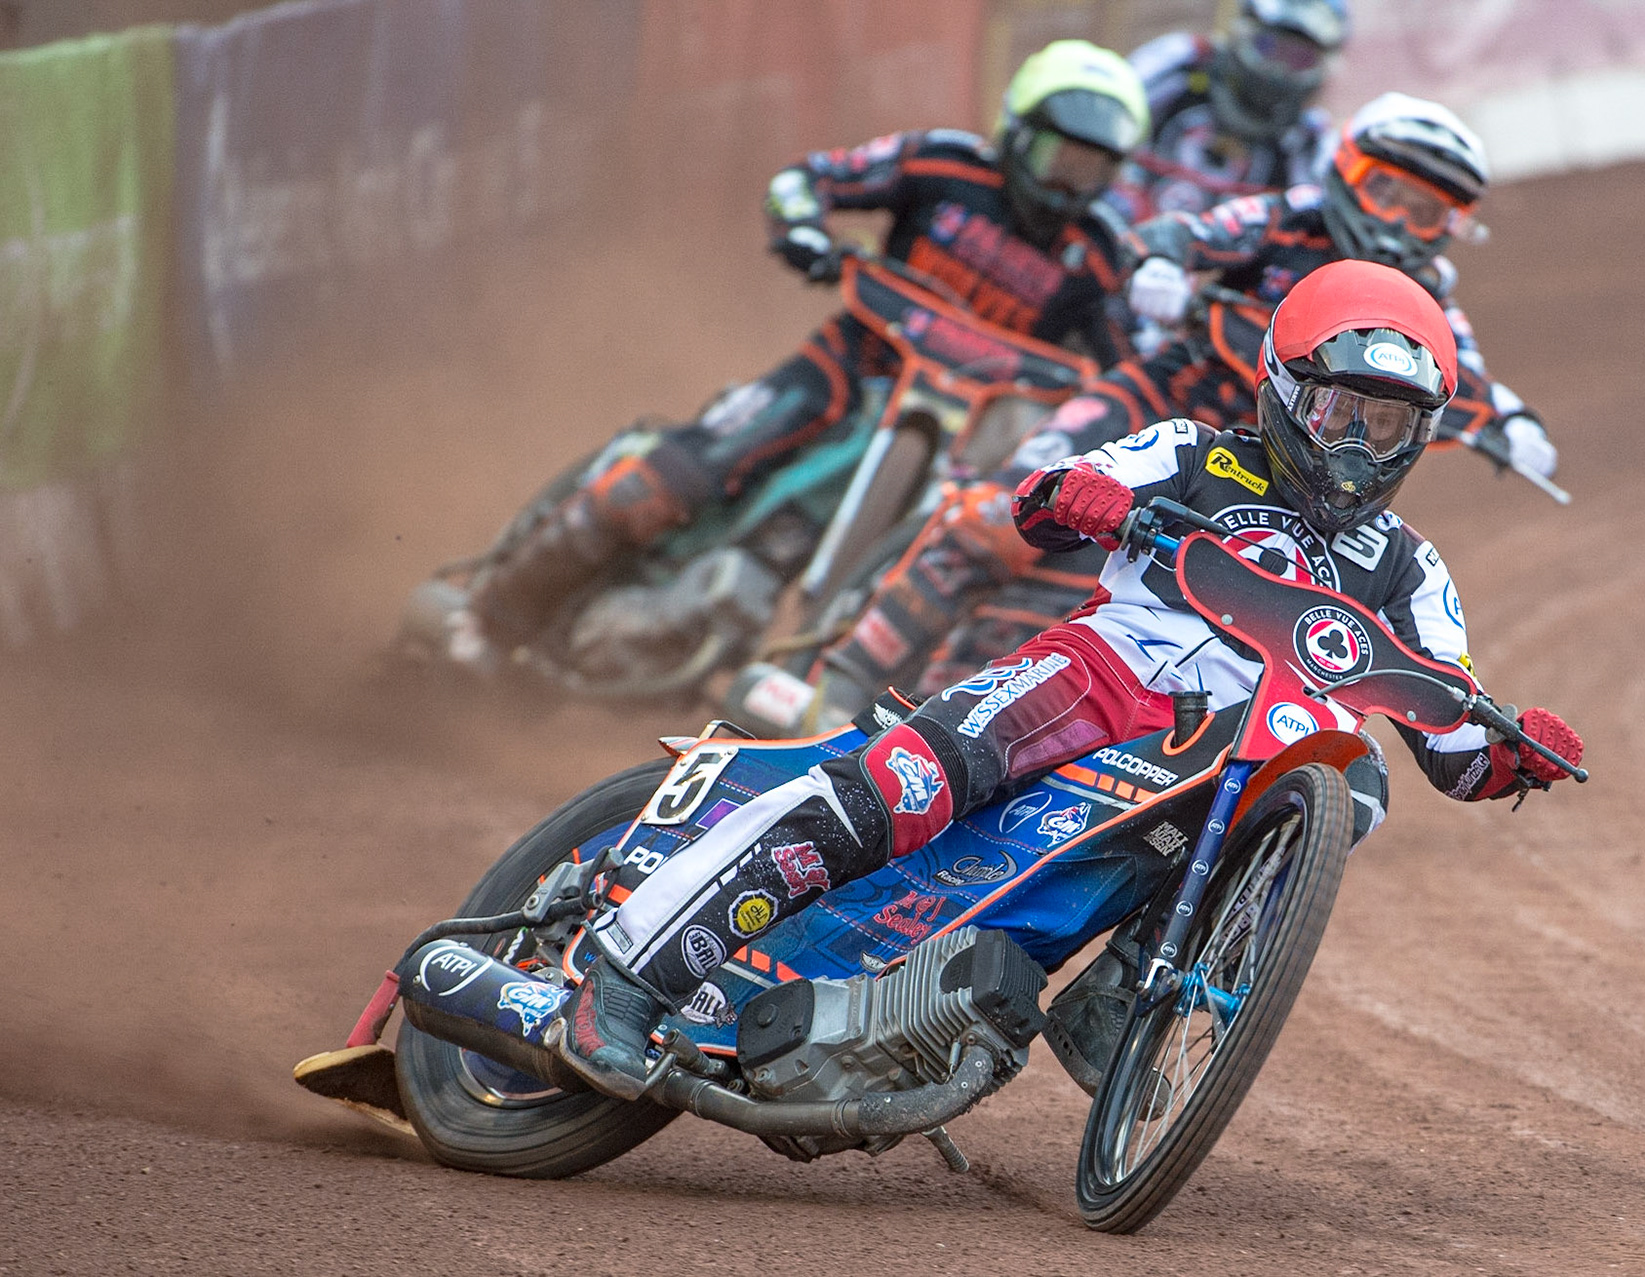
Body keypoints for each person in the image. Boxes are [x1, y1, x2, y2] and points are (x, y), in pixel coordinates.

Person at [552, 259, 1585, 1100]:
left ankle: (1139, 981)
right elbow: (1044, 498)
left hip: (1226, 753)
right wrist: (1084, 492)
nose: (1360, 444)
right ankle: (632, 974)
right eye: (1341, 411)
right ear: (1282, 389)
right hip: (1097, 672)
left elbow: (1451, 733)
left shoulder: (1414, 568)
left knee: (1356, 779)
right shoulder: (1193, 450)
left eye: (1390, 424)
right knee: (909, 780)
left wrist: (1512, 752)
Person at [782, 91, 1555, 727]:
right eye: (1387, 191)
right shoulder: (1287, 218)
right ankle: (829, 676)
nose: (1394, 221)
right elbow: (1182, 230)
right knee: (995, 517)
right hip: (1153, 401)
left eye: (1424, 211)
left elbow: (1467, 377)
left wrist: (1515, 423)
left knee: (1069, 595)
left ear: (1451, 228)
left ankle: (944, 714)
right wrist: (1159, 261)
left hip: (1258, 476)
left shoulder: (1432, 303)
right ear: (1348, 174)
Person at [443, 40, 1150, 669]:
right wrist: (805, 231)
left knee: (964, 545)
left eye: (1090, 173)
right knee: (670, 478)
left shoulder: (1097, 257)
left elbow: (1131, 369)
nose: (1067, 186)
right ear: (1018, 133)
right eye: (1059, 159)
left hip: (962, 426)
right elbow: (807, 179)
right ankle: (489, 612)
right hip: (842, 370)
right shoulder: (943, 164)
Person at [1109, 0, 1351, 221]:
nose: (1278, 70)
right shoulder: (1182, 63)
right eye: (1267, 47)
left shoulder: (1309, 140)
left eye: (1301, 59)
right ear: (1242, 32)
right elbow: (1103, 113)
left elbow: (1315, 222)